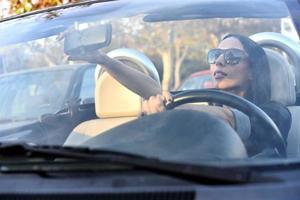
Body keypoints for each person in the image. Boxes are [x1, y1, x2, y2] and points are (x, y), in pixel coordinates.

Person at [68, 33, 291, 156]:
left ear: (253, 70)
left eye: (232, 56)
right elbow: (157, 92)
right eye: (215, 55)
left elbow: (231, 119)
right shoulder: (205, 100)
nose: (220, 61)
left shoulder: (276, 113)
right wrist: (103, 60)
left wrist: (169, 113)